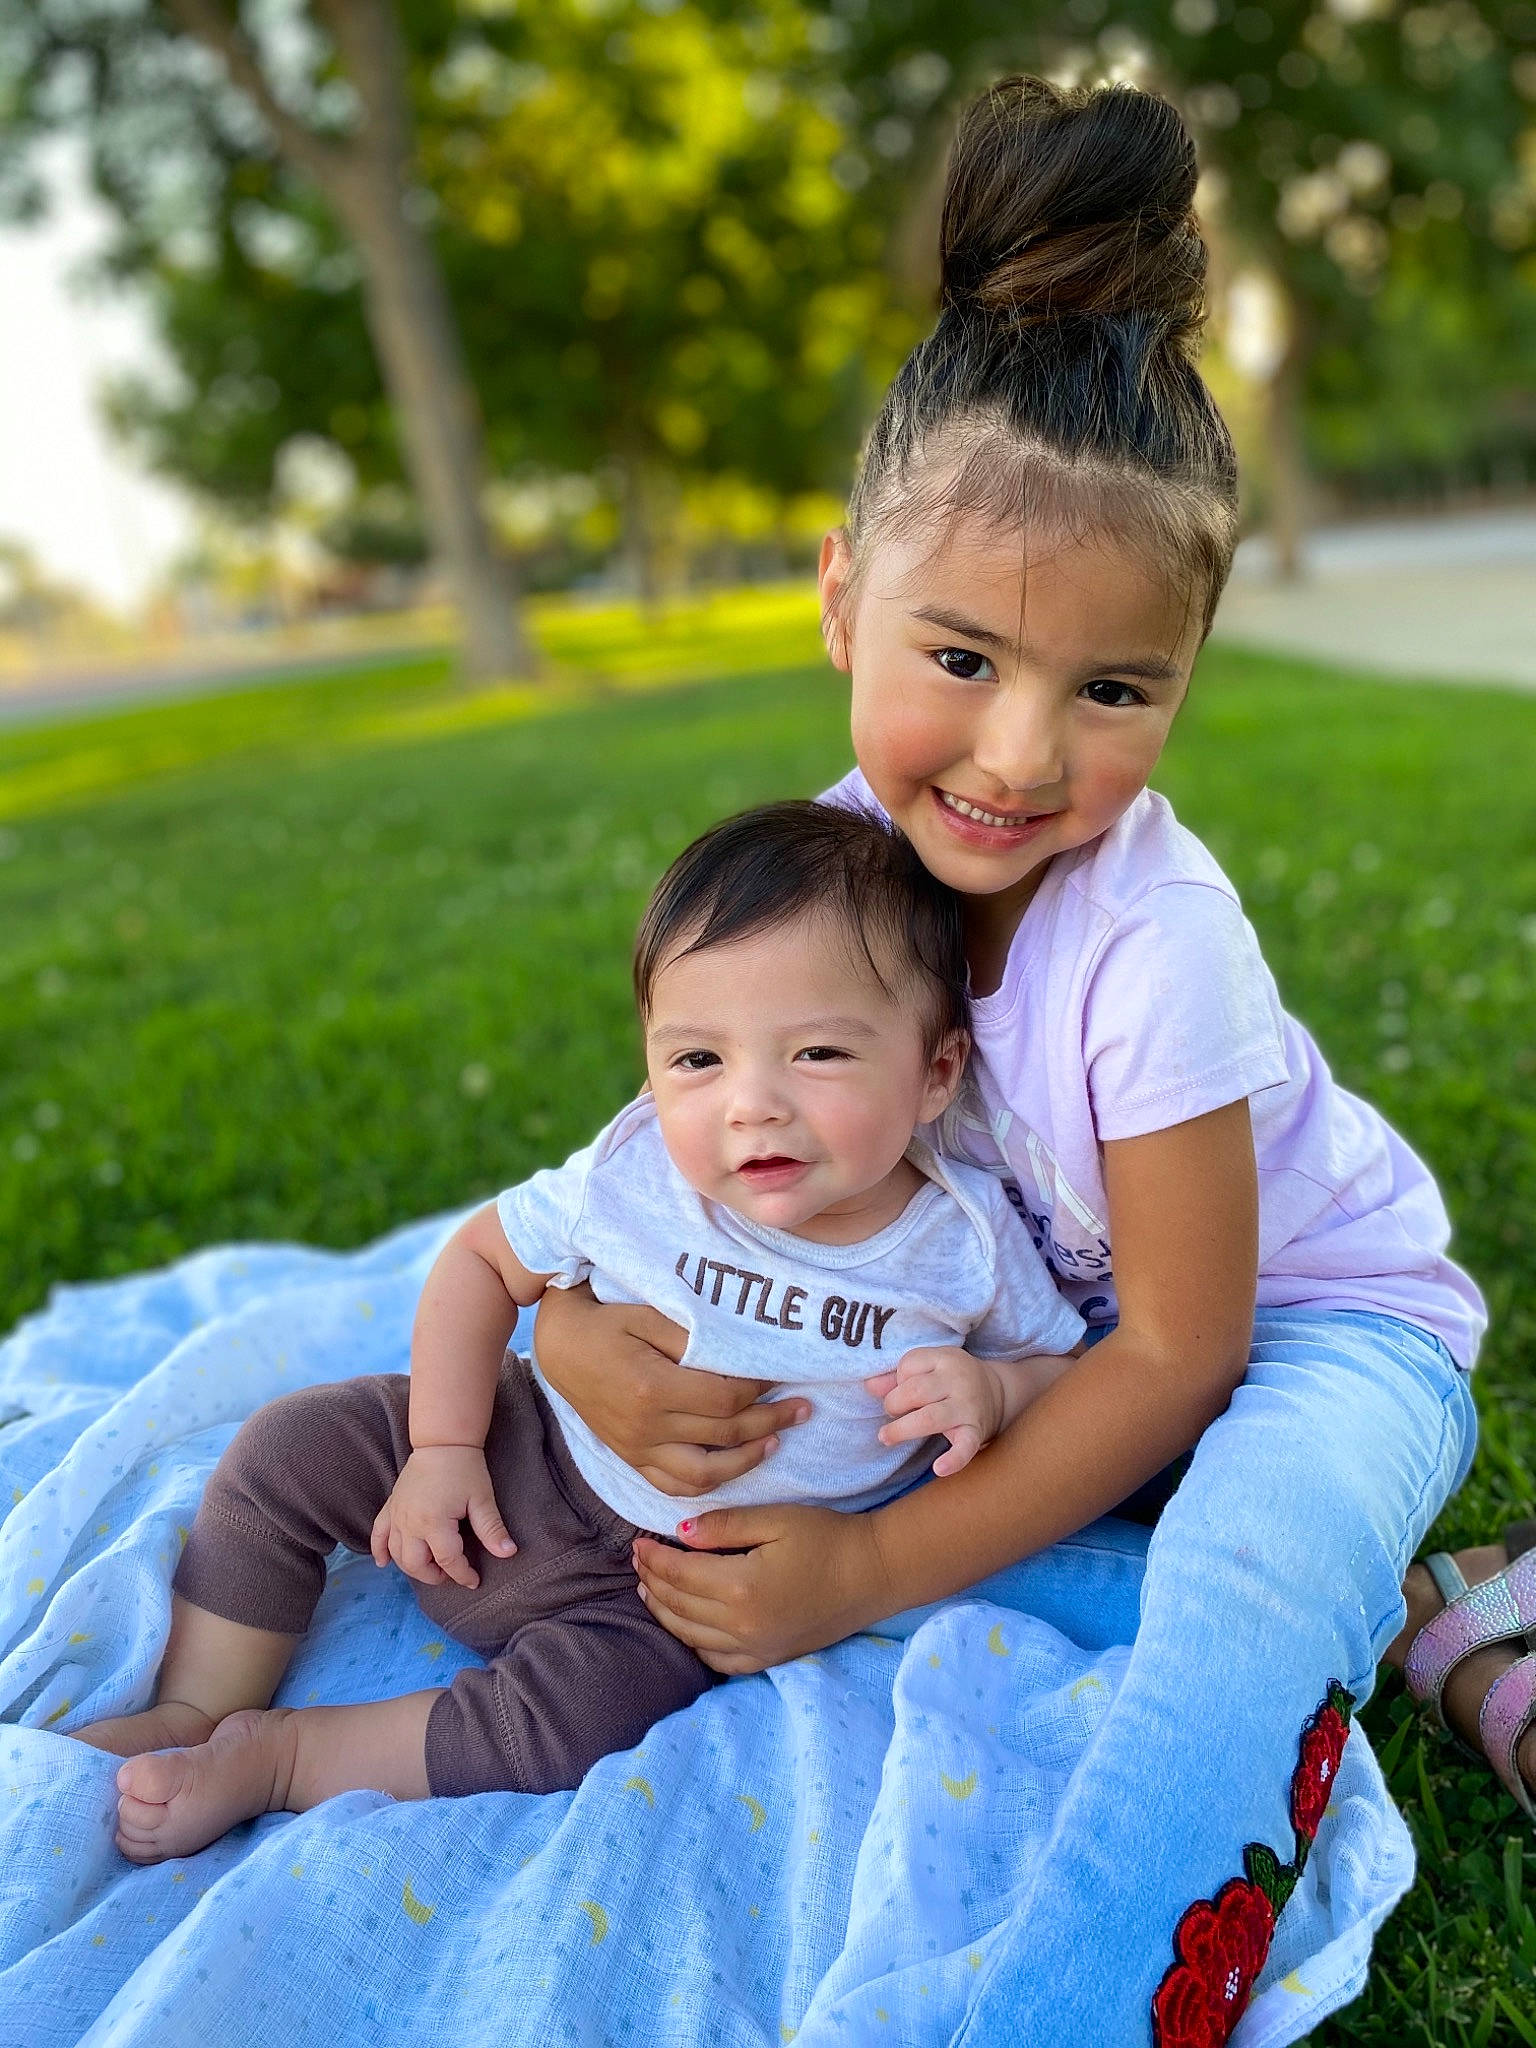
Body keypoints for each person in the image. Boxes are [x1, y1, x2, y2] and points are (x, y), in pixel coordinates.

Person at [530, 77, 1512, 2044]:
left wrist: (868, 1562)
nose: (1022, 756)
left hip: (1305, 1330)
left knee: (1227, 1568)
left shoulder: (1149, 938)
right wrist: (573, 1332)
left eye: (1114, 688)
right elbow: (677, 1149)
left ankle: (1075, 1986)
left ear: (1189, 674)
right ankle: (1421, 1613)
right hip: (1020, 1337)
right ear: (838, 600)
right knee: (823, 1498)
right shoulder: (818, 861)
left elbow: (1180, 1351)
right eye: (961, 657)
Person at [67, 801, 1085, 1863]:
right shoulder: (636, 1169)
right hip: (520, 1451)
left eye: (818, 1051)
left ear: (936, 1072)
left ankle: (280, 1759)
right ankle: (195, 1704)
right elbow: (477, 1259)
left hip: (664, 1592)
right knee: (290, 1444)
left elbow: (1065, 1368)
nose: (751, 1104)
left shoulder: (963, 1246)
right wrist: (443, 1447)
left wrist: (1000, 1392)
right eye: (697, 1059)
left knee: (583, 1720)